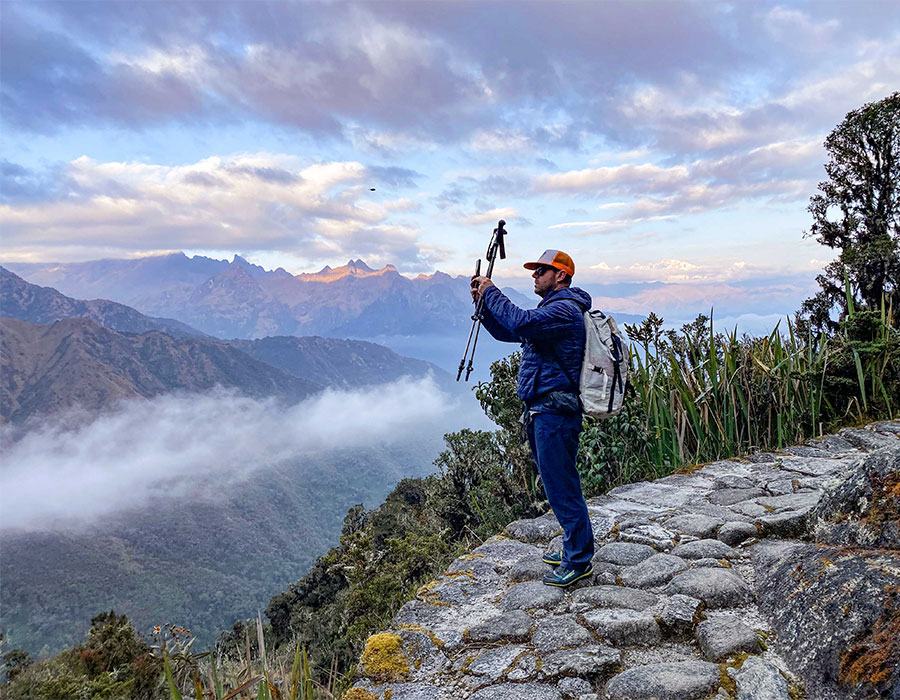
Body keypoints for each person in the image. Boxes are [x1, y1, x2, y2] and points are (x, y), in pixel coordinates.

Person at [471, 249, 594, 587]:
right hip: (544, 410)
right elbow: (509, 332)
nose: (535, 275)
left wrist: (491, 291)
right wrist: (483, 307)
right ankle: (574, 546)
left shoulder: (564, 311)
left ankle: (579, 560)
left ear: (562, 276)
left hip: (555, 412)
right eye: (536, 270)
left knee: (561, 485)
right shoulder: (551, 312)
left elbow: (520, 322)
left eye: (543, 270)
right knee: (558, 485)